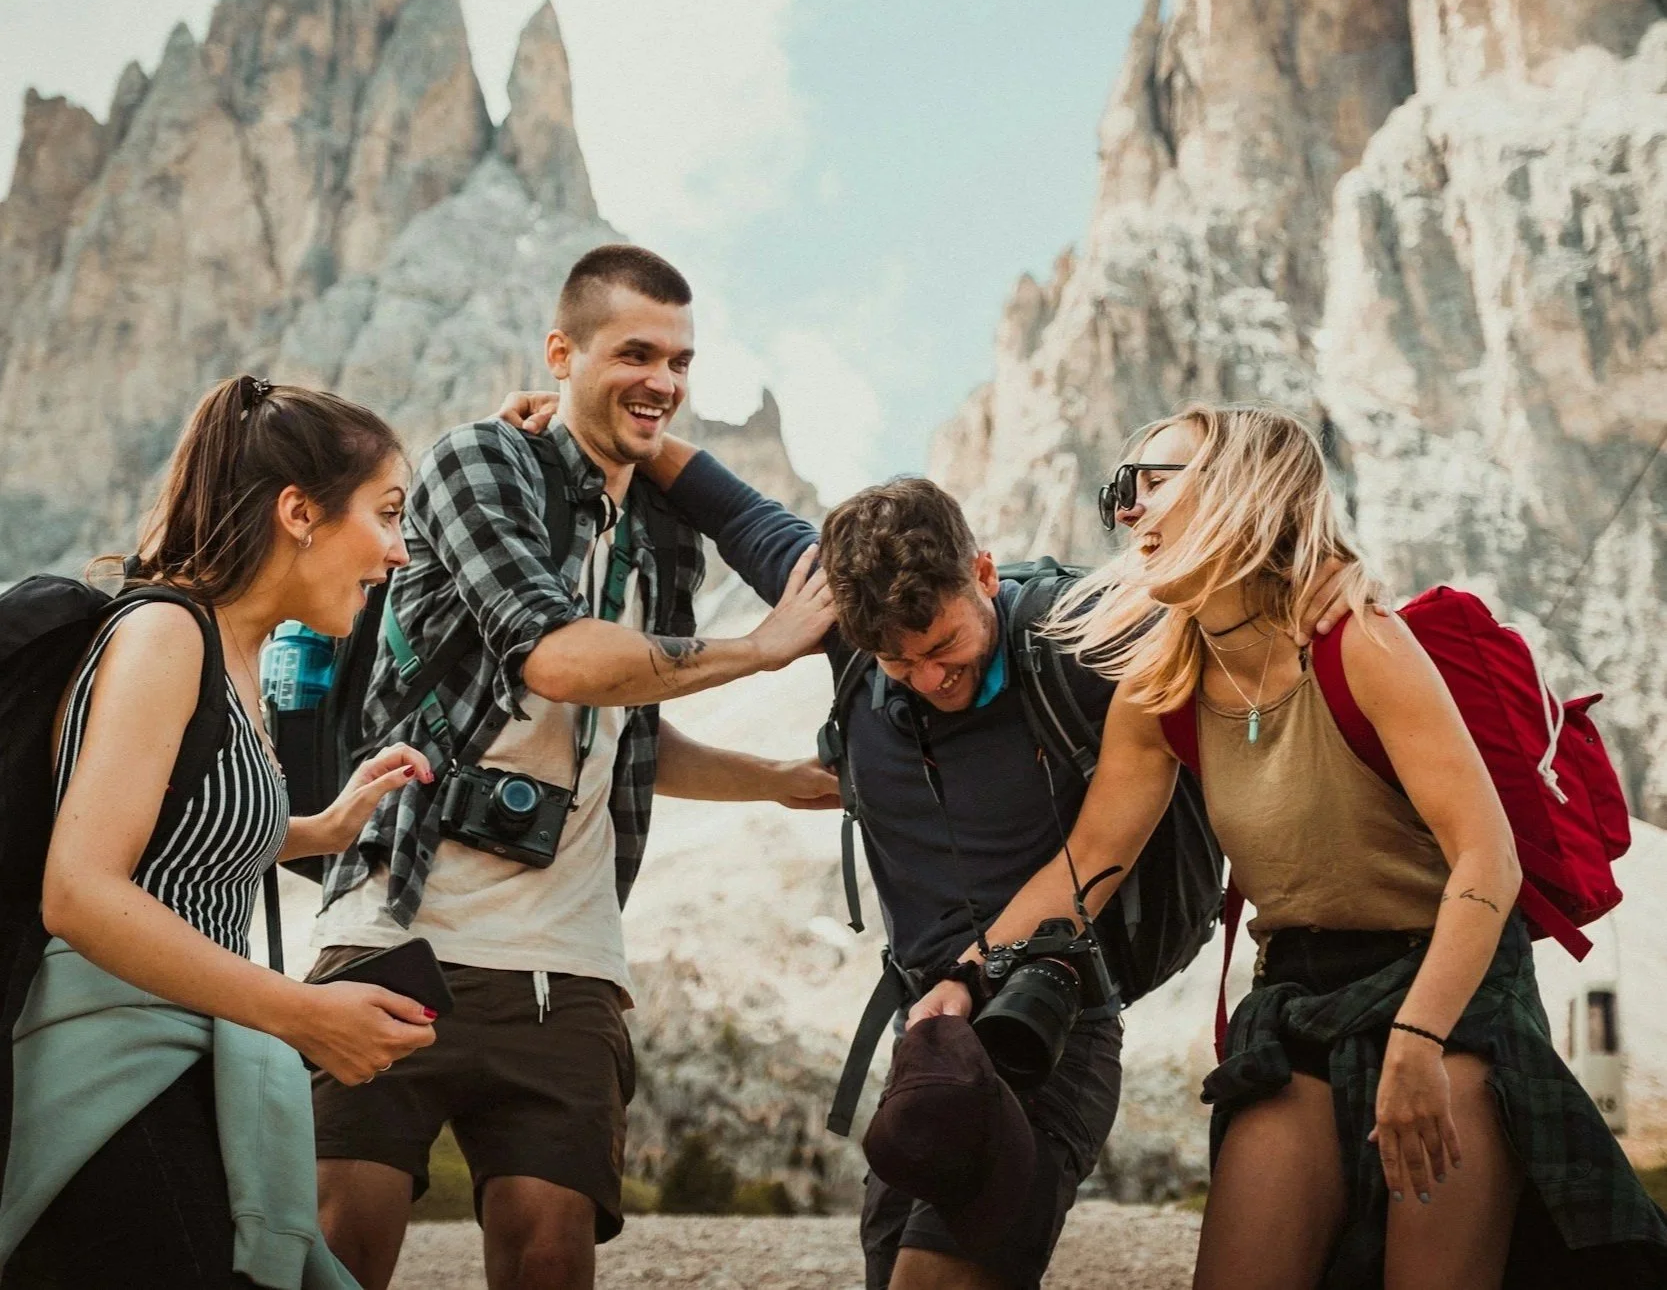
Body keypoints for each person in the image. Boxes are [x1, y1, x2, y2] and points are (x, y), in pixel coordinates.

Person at [527, 418, 1354, 1290]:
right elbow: (735, 511)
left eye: (945, 647)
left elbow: (1228, 583)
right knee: (896, 1272)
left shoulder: (1082, 636)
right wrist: (589, 416)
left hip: (1048, 1019)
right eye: (897, 662)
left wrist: (1328, 580)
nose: (929, 678)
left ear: (985, 575)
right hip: (930, 1033)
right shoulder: (848, 625)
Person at [909, 403, 1667, 1290]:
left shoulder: (1360, 644)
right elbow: (1086, 866)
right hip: (1298, 994)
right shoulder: (1162, 683)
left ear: (1242, 489)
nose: (1125, 511)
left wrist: (1419, 1040)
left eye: (1152, 483)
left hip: (1445, 988)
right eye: (1122, 489)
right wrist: (964, 975)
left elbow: (1485, 860)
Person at [308, 245, 839, 1290]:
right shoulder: (477, 463)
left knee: (551, 1252)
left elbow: (627, 731)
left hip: (570, 954)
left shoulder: (664, 533)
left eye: (681, 360)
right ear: (561, 351)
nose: (664, 379)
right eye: (635, 351)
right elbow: (554, 656)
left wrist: (775, 778)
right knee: (337, 1241)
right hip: (400, 919)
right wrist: (760, 649)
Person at [0, 375, 442, 1289]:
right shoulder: (167, 632)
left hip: (192, 1054)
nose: (399, 552)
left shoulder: (239, 655)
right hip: (110, 1075)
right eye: (387, 514)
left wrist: (318, 827)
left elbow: (172, 826)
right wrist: (307, 1015)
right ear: (298, 512)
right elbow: (80, 890)